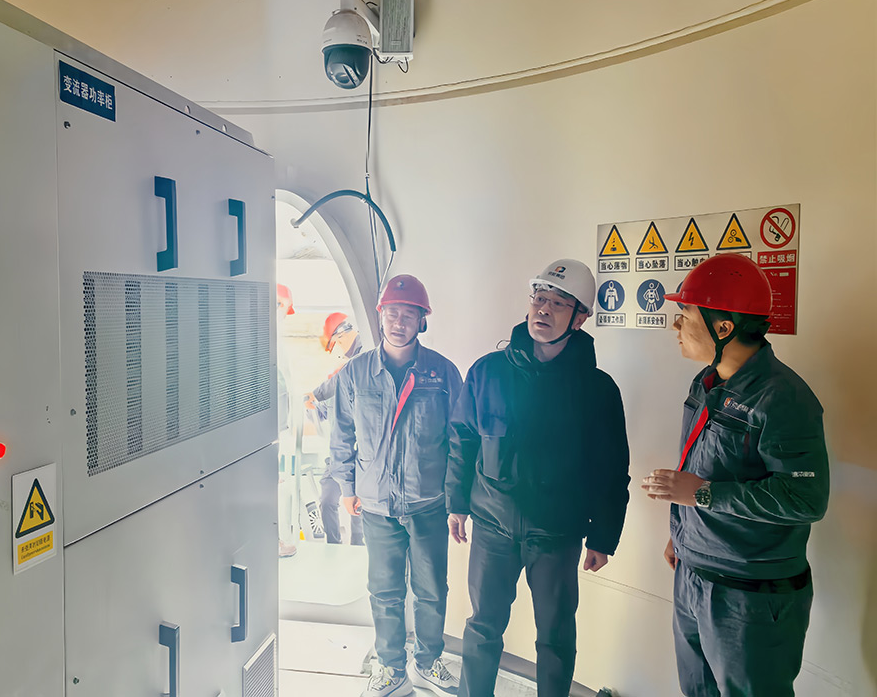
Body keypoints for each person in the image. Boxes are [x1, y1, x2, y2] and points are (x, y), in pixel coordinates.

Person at [641, 253, 828, 697]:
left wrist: (703, 495)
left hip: (749, 596)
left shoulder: (783, 398)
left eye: (686, 314)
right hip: (693, 572)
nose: (675, 325)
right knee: (697, 689)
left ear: (723, 327)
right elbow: (700, 465)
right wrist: (682, 534)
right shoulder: (706, 382)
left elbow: (805, 499)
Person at [446, 259, 630, 697]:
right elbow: (462, 439)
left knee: (556, 636)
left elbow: (611, 468)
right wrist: (456, 503)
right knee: (483, 626)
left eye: (559, 304)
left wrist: (604, 537)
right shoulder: (488, 371)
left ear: (580, 317)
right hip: (492, 525)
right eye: (539, 298)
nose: (543, 310)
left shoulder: (598, 390)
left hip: (557, 533)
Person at [331, 275, 463, 697]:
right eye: (392, 313)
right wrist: (347, 487)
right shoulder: (355, 373)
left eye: (408, 315)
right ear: (380, 316)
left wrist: (457, 500)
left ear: (422, 321)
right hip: (376, 505)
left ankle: (427, 662)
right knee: (384, 591)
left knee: (432, 590)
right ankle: (391, 669)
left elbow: (461, 441)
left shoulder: (442, 373)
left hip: (429, 503)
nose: (399, 322)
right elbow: (341, 434)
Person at [305, 312, 365, 545]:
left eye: (337, 343)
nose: (338, 350)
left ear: (342, 335)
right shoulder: (341, 385)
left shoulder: (363, 358)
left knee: (358, 504)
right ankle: (333, 545)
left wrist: (316, 393)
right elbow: (323, 415)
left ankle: (358, 546)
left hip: (362, 455)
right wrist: (311, 404)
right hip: (338, 457)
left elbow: (338, 380)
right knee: (328, 500)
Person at [277, 283, 298, 559]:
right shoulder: (264, 338)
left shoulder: (275, 340)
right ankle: (273, 541)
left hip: (273, 431)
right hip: (265, 433)